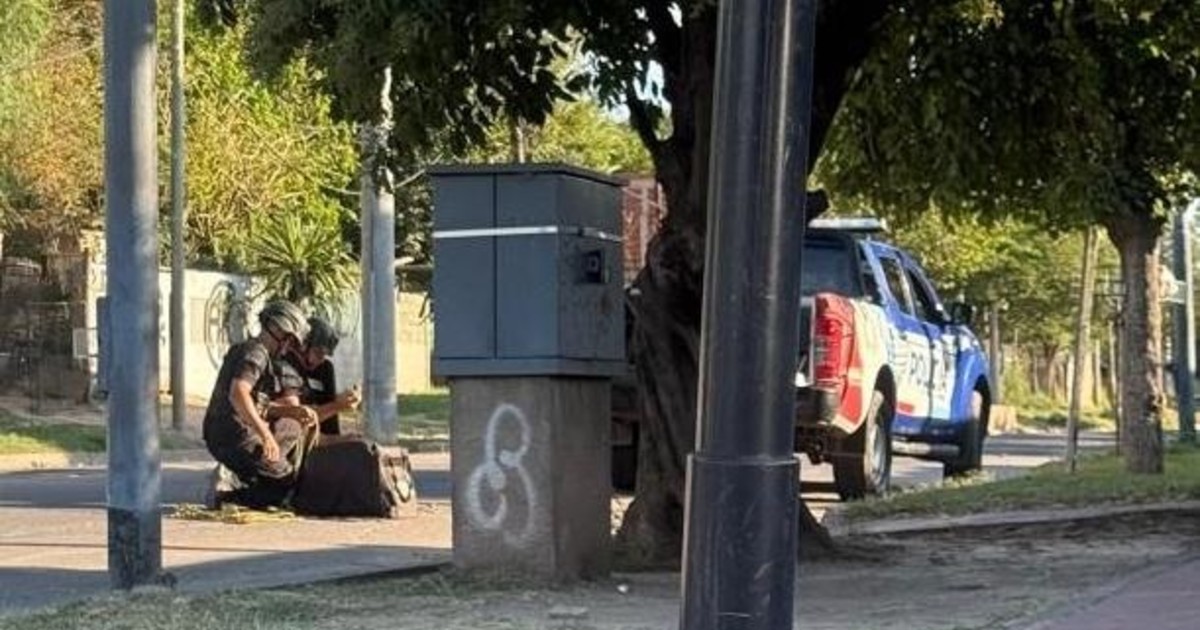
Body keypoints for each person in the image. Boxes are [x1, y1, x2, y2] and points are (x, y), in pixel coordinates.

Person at [202, 300, 318, 509]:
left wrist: (293, 411)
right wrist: (266, 436)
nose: (287, 348)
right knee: (284, 482)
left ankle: (248, 475)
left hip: (227, 432)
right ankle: (228, 495)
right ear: (275, 328)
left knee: (292, 426)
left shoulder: (253, 352)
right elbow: (238, 394)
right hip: (234, 436)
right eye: (288, 340)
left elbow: (255, 405)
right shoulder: (255, 353)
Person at [282, 316, 359, 437]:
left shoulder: (325, 369)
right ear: (303, 346)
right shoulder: (286, 366)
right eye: (318, 353)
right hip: (299, 441)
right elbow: (298, 418)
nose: (321, 360)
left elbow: (330, 416)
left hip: (323, 438)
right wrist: (338, 405)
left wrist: (342, 402)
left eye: (324, 355)